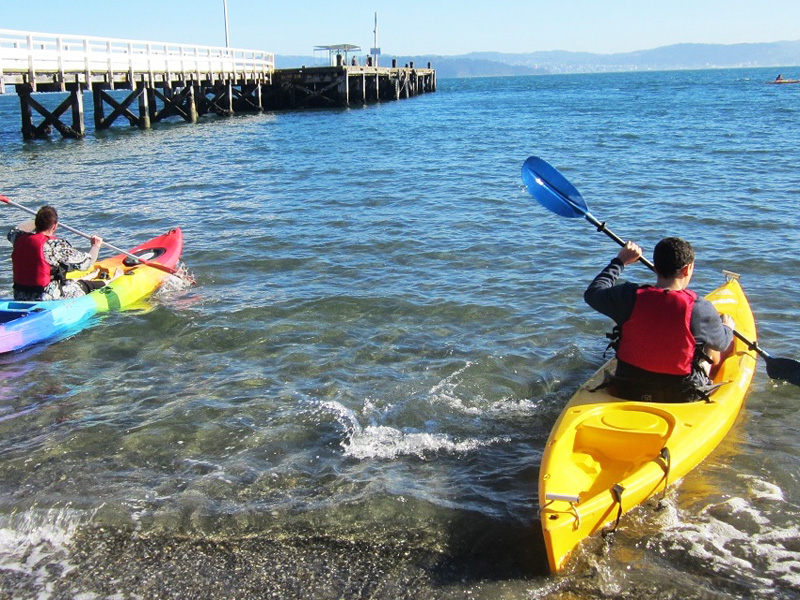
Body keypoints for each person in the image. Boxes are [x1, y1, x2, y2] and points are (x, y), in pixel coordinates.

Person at [584, 237, 734, 402]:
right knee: (711, 347)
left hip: (628, 387)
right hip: (681, 395)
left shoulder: (628, 296)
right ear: (687, 269)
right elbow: (722, 343)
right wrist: (727, 328)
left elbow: (592, 293)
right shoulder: (700, 308)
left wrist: (620, 261)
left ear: (655, 268)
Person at [7, 205, 105, 301]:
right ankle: (107, 282)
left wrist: (39, 220)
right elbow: (87, 263)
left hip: (20, 295)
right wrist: (95, 246)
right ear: (54, 226)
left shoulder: (18, 238)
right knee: (87, 286)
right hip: (46, 296)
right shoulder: (55, 245)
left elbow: (16, 229)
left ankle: (87, 277)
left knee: (68, 281)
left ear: (37, 223)